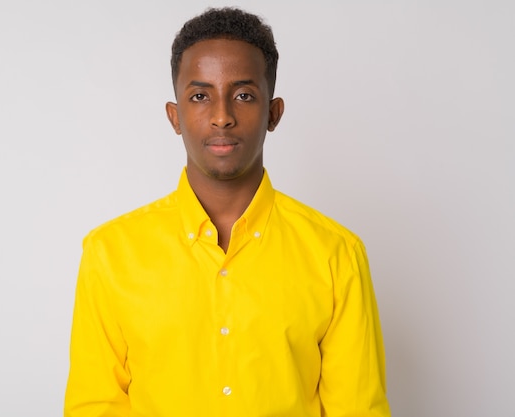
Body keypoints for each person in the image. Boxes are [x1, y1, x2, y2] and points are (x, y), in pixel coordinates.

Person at [64, 7, 391, 417]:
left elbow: (358, 409)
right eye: (200, 96)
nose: (222, 116)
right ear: (175, 116)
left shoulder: (336, 254)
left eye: (244, 95)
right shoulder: (110, 254)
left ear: (273, 113)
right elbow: (94, 407)